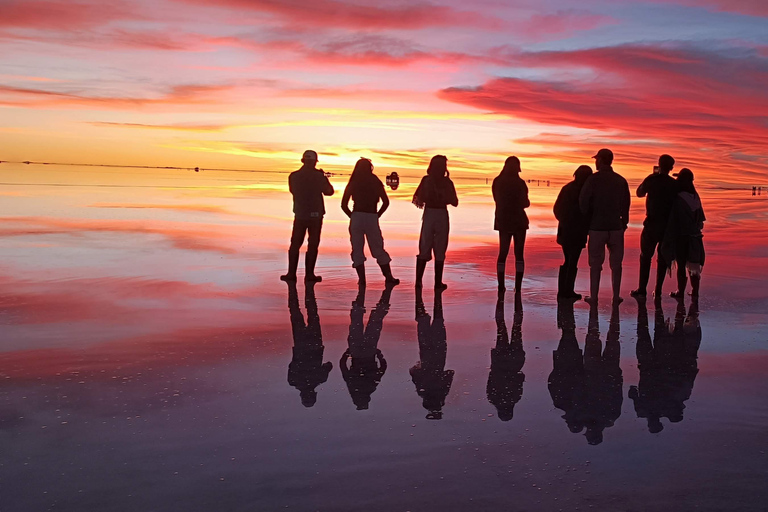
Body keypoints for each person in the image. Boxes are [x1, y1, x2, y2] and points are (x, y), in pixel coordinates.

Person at [579, 148, 631, 305]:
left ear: (601, 160)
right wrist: (624, 222)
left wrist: (586, 221)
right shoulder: (620, 180)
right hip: (616, 227)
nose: (595, 162)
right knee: (616, 264)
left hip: (597, 227)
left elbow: (583, 202)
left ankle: (594, 296)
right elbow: (626, 204)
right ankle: (616, 296)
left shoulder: (593, 180)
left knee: (595, 264)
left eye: (597, 159)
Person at [341, 158, 399, 286]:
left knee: (357, 249)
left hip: (356, 217)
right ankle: (389, 277)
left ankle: (362, 280)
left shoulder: (353, 182)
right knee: (378, 248)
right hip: (371, 216)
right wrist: (377, 215)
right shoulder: (375, 181)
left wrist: (353, 216)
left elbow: (343, 205)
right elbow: (386, 202)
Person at [281, 150, 334, 283]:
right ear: (314, 162)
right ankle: (309, 275)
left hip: (300, 214)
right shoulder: (318, 176)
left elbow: (293, 191)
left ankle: (291, 274)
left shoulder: (294, 176)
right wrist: (323, 178)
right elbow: (329, 192)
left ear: (303, 161)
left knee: (295, 244)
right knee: (313, 244)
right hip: (315, 216)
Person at [340, 283, 394, 410]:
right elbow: (343, 366)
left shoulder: (369, 386)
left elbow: (383, 368)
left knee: (374, 324)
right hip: (357, 353)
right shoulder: (356, 386)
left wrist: (379, 355)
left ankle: (379, 304)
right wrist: (347, 353)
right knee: (357, 323)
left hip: (369, 353)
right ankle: (360, 304)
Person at [630, 155, 678, 299]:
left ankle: (642, 288)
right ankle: (658, 290)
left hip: (651, 224)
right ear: (671, 168)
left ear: (659, 165)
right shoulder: (673, 184)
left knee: (645, 257)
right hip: (667, 226)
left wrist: (650, 177)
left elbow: (639, 193)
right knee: (662, 258)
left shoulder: (652, 179)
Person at [413, 155, 459, 290]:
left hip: (429, 214)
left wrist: (430, 198)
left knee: (424, 246)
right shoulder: (447, 183)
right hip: (441, 214)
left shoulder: (426, 180)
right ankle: (437, 283)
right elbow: (455, 202)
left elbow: (418, 198)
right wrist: (443, 198)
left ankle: (418, 281)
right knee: (440, 247)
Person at [286, 281, 332, 407]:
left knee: (312, 314)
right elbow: (291, 366)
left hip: (315, 346)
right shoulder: (293, 381)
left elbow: (328, 365)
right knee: (295, 313)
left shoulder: (320, 379)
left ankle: (309, 288)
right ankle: (293, 287)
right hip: (300, 346)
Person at [410, 288, 454, 420]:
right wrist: (419, 366)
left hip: (439, 355)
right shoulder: (422, 390)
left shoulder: (441, 391)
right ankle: (421, 298)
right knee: (423, 325)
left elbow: (450, 373)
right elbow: (413, 372)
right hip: (426, 354)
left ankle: (437, 296)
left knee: (438, 321)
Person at [661, 168, 706, 298]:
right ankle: (695, 291)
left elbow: (674, 220)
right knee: (694, 265)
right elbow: (701, 221)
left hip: (682, 237)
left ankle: (680, 291)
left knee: (681, 265)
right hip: (695, 237)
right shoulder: (695, 197)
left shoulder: (679, 198)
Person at [553, 165, 593, 300]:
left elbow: (556, 209)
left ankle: (563, 290)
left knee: (568, 259)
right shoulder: (586, 192)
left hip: (565, 230)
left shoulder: (567, 188)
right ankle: (567, 290)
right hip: (577, 231)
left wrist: (564, 221)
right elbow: (589, 211)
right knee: (572, 260)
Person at [493, 156, 530, 293]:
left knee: (503, 253)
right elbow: (525, 203)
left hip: (503, 220)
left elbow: (497, 200)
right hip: (518, 221)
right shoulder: (520, 183)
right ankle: (518, 287)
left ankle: (501, 285)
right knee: (519, 254)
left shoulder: (497, 181)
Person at [487, 292, 525, 421]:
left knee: (516, 328)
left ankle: (507, 297)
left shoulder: (515, 398)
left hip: (514, 362)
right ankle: (505, 298)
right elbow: (490, 379)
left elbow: (520, 380)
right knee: (501, 327)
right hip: (500, 362)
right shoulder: (493, 398)